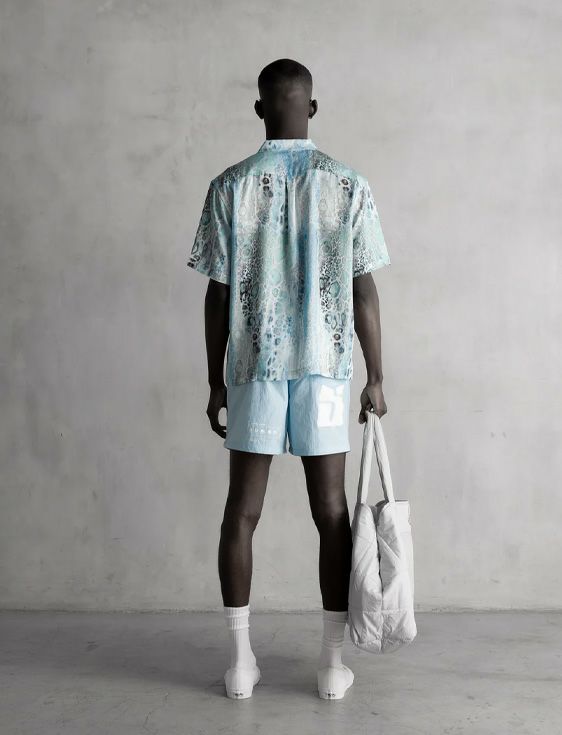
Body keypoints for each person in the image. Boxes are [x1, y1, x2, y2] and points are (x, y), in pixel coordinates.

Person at [187, 58, 390, 700]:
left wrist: (215, 380)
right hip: (325, 369)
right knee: (331, 513)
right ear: (312, 107)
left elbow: (217, 296)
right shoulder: (348, 185)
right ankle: (331, 664)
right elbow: (363, 290)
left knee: (241, 512)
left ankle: (240, 664)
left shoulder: (229, 187)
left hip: (254, 367)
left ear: (260, 109)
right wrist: (376, 376)